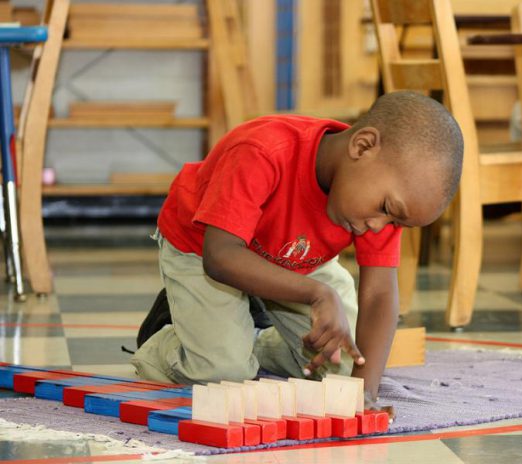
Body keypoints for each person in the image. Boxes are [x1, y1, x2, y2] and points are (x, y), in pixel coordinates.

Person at [130, 91, 464, 407]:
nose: (381, 226)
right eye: (387, 209)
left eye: (396, 223)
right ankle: (166, 340)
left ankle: (250, 335)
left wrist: (363, 396)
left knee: (347, 370)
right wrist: (319, 294)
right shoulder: (262, 151)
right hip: (203, 249)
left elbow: (379, 296)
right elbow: (220, 257)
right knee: (222, 372)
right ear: (362, 147)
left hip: (294, 260)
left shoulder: (381, 205)